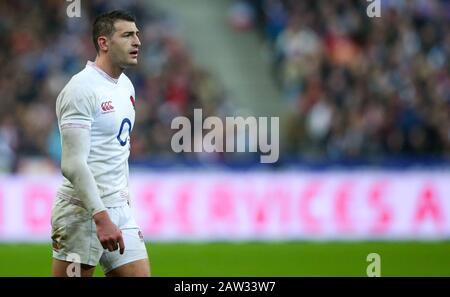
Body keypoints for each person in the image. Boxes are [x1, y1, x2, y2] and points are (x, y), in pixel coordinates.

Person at [51, 10, 149, 277]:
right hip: (82, 213)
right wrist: (101, 216)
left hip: (118, 210)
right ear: (104, 42)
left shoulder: (126, 86)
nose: (137, 41)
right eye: (127, 35)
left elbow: (119, 150)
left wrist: (123, 202)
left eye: (137, 34)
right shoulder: (81, 89)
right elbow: (72, 164)